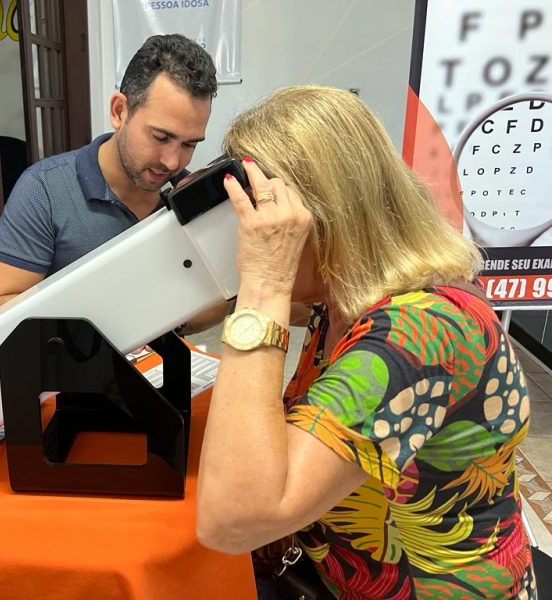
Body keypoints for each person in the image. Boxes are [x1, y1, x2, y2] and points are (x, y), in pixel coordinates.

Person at [196, 85, 536, 599]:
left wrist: (263, 283)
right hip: (338, 573)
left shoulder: (423, 330)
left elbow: (234, 519)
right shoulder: (344, 301)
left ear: (327, 217)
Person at [0, 34, 218, 320]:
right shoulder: (46, 190)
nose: (174, 162)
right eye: (161, 137)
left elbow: (219, 300)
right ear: (119, 111)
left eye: (190, 144)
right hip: (73, 361)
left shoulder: (190, 194)